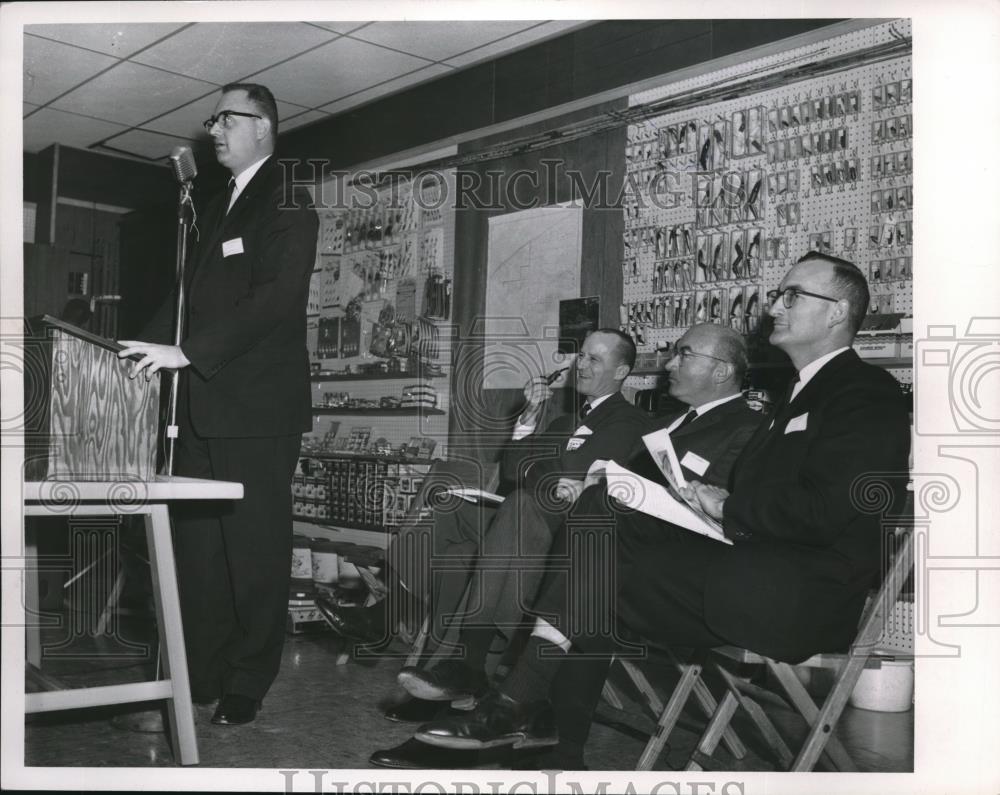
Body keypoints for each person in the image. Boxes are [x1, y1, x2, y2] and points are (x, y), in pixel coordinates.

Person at [412, 252, 911, 769]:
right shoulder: (794, 395)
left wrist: (729, 505)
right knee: (601, 523)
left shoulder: (866, 393)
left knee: (594, 562)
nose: (774, 307)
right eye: (777, 294)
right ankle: (526, 713)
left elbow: (829, 509)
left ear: (836, 313)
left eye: (793, 296)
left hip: (799, 596)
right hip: (752, 565)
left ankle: (520, 707)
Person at [370, 323, 761, 768]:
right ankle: (470, 698)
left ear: (722, 370)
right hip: (593, 544)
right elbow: (541, 471)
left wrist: (584, 483)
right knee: (474, 543)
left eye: (684, 354)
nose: (669, 364)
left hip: (647, 565)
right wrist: (581, 478)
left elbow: (725, 517)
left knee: (539, 540)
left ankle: (478, 691)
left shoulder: (749, 429)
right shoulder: (664, 423)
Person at [118, 83, 318, 726]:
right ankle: (196, 676)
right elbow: (187, 301)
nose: (213, 130)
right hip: (201, 408)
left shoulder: (286, 196)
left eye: (226, 119)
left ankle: (246, 682)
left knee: (254, 550)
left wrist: (188, 354)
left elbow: (274, 301)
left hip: (257, 411)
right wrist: (130, 350)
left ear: (263, 125)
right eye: (212, 119)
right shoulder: (211, 204)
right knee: (197, 555)